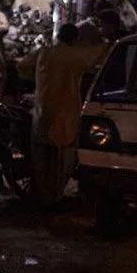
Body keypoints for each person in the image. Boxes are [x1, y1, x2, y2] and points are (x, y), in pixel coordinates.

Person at [31, 24, 103, 208]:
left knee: (42, 157)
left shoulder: (44, 53)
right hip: (65, 113)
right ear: (75, 39)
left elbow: (23, 64)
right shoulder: (77, 55)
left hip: (42, 113)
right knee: (62, 158)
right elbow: (99, 54)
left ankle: (42, 196)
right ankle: (54, 197)